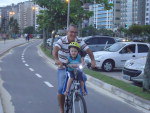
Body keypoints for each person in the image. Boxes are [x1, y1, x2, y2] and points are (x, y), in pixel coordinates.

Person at [52, 24, 95, 113]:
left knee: (84, 77)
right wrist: (57, 60)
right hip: (63, 66)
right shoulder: (62, 40)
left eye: (75, 32)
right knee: (60, 89)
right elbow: (55, 50)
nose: (73, 34)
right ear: (67, 32)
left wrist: (93, 60)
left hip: (75, 66)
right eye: (71, 32)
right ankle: (61, 109)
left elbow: (88, 50)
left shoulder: (79, 40)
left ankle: (77, 94)